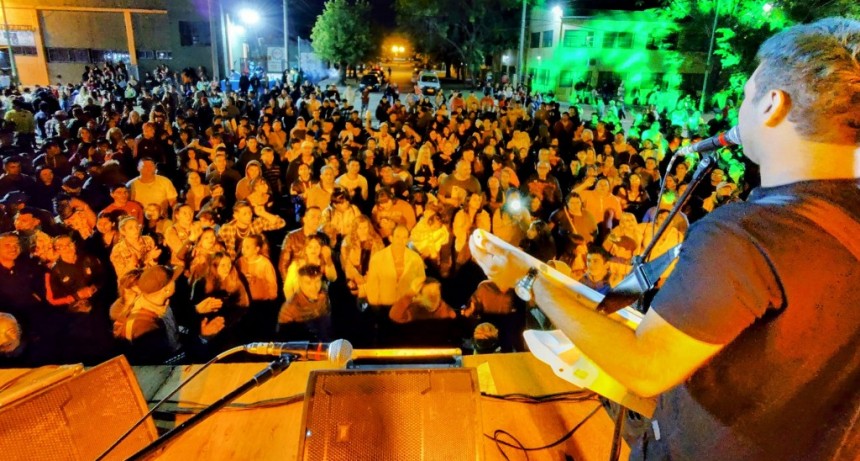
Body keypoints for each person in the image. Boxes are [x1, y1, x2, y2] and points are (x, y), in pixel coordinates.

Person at [470, 18, 860, 461]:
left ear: (773, 104)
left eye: (747, 95)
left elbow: (646, 366)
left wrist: (529, 281)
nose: (739, 109)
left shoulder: (746, 235)